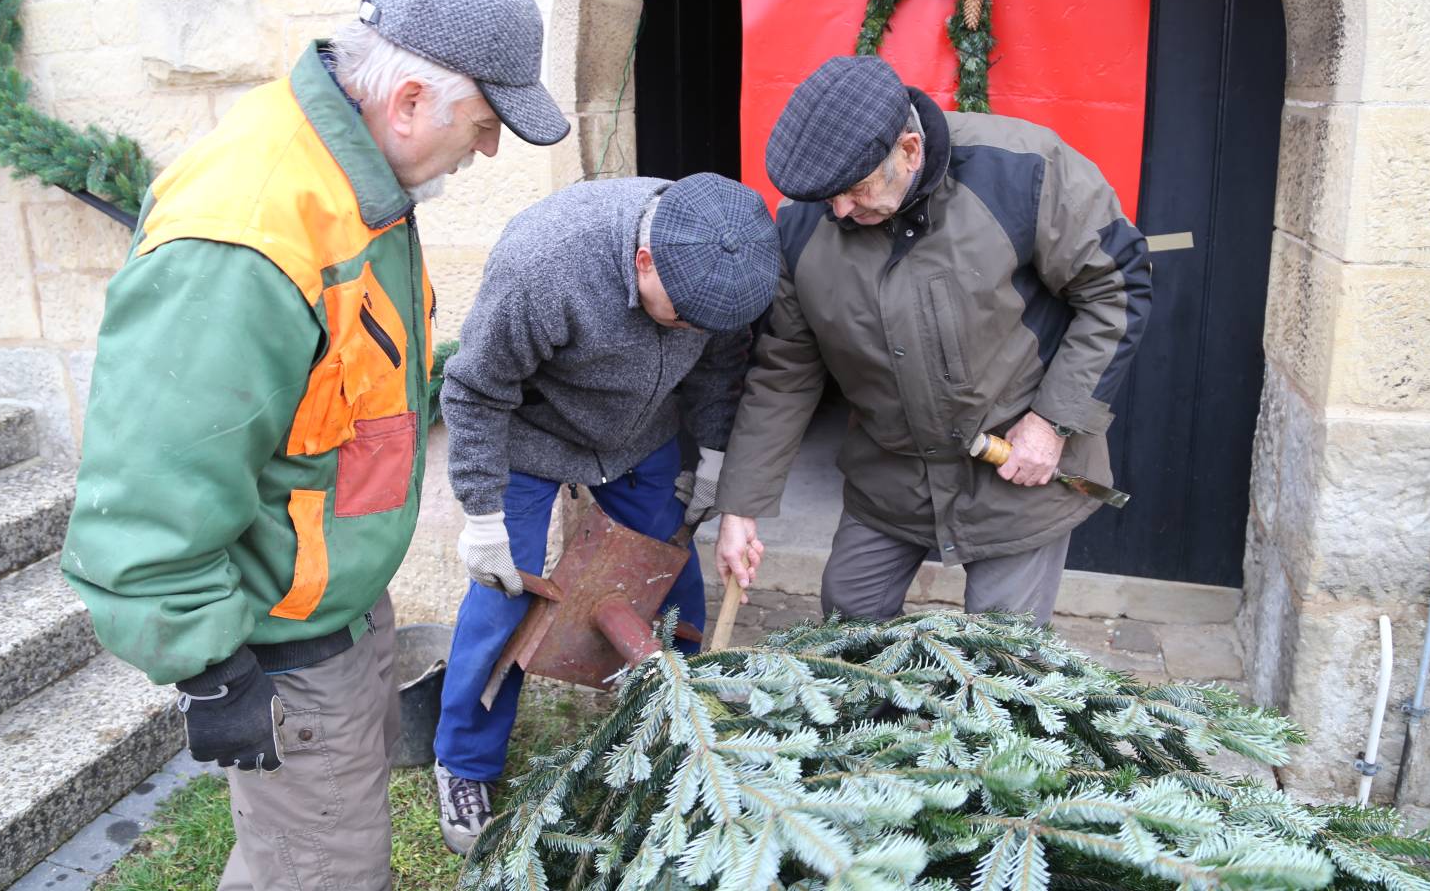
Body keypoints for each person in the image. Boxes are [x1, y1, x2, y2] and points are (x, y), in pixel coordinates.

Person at [60, 0, 570, 891]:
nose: (488, 151)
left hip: (337, 609)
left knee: (295, 860)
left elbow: (343, 386)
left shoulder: (362, 180)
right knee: (325, 873)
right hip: (282, 647)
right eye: (486, 124)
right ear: (411, 99)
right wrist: (212, 672)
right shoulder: (248, 234)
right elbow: (146, 497)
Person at [713, 54, 1151, 627]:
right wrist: (740, 506)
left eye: (854, 190)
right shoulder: (809, 222)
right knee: (849, 616)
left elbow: (1116, 291)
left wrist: (1051, 423)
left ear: (909, 150)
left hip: (1016, 469)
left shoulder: (1025, 170)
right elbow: (784, 371)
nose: (839, 211)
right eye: (827, 198)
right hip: (889, 475)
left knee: (1001, 653)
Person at [432, 172, 781, 854]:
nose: (689, 329)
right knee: (505, 596)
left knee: (668, 572)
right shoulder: (547, 262)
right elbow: (473, 392)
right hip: (532, 440)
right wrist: (480, 515)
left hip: (639, 435)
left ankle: (675, 718)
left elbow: (716, 370)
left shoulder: (724, 267)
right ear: (644, 260)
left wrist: (711, 454)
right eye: (678, 315)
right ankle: (465, 762)